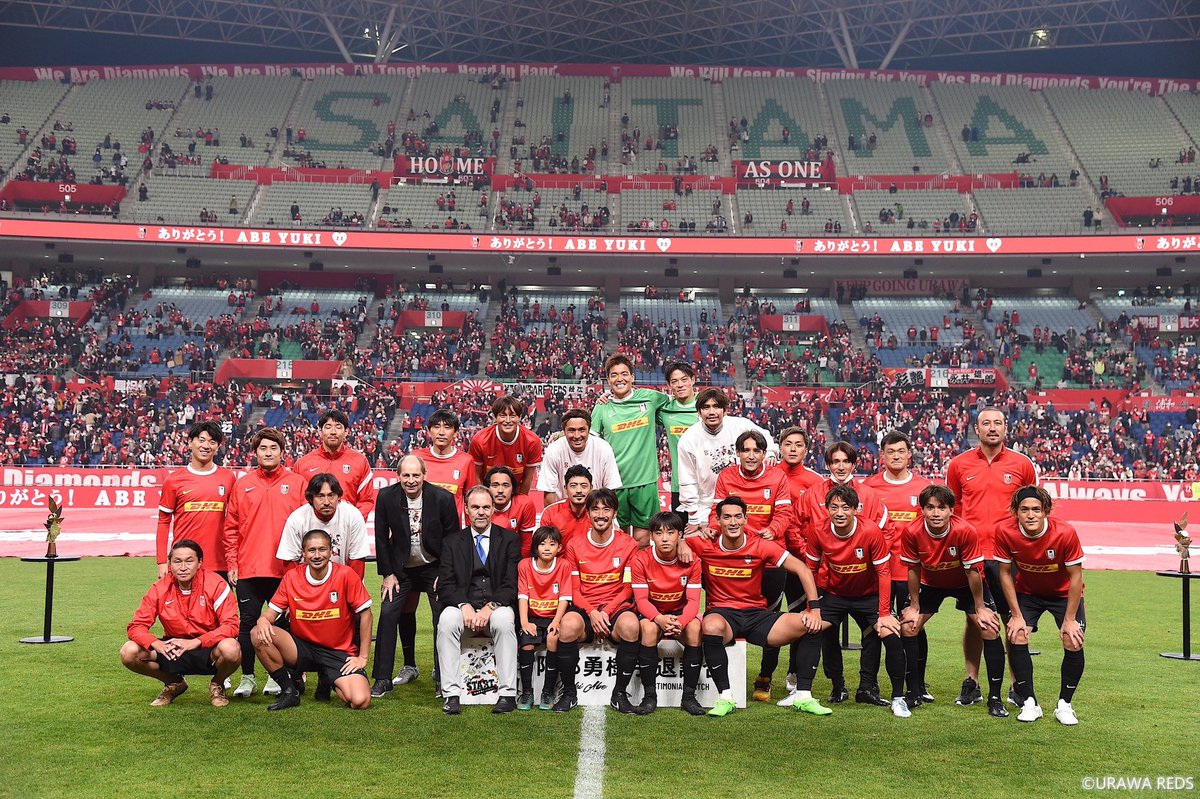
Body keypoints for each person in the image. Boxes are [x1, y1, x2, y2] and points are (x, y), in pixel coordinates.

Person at [689, 496, 826, 717]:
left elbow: (801, 568)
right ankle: (725, 697)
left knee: (810, 624)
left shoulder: (760, 545)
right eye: (727, 517)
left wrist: (815, 609)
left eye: (737, 517)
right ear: (718, 521)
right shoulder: (703, 544)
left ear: (745, 519)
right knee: (711, 625)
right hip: (723, 615)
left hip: (756, 615)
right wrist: (685, 544)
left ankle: (803, 696)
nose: (732, 522)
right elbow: (669, 543)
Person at [945, 407, 1037, 706]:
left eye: (998, 423)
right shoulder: (958, 465)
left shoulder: (1022, 465)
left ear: (1006, 428)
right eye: (986, 423)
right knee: (974, 620)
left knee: (1013, 619)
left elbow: (1032, 508)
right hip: (972, 557)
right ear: (977, 428)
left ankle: (1016, 684)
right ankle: (971, 682)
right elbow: (952, 508)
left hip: (1010, 558)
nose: (992, 428)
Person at [899, 485, 1008, 718]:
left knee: (988, 628)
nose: (936, 513)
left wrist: (980, 608)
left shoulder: (965, 530)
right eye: (930, 508)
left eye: (941, 508)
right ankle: (914, 691)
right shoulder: (911, 531)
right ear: (922, 510)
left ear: (951, 510)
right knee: (909, 626)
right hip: (931, 584)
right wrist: (914, 606)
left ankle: (995, 698)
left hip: (965, 584)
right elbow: (913, 569)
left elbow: (973, 572)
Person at [806, 485, 910, 718]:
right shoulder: (818, 530)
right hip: (834, 593)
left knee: (889, 635)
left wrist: (884, 613)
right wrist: (811, 608)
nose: (840, 512)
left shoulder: (870, 530)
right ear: (827, 509)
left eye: (845, 507)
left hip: (869, 594)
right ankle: (834, 686)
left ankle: (890, 695)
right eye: (834, 507)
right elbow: (810, 570)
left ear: (856, 509)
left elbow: (884, 571)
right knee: (815, 630)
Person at [708, 429, 792, 703]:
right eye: (746, 450)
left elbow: (784, 514)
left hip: (766, 561)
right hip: (732, 560)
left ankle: (764, 678)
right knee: (721, 614)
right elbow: (715, 514)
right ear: (739, 453)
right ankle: (724, 679)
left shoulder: (777, 476)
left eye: (757, 450)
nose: (751, 455)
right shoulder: (726, 477)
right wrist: (712, 529)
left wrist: (773, 530)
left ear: (764, 454)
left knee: (771, 619)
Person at [223, 428, 307, 699]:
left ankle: (276, 675)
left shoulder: (297, 482)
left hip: (285, 569)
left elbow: (307, 525)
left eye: (273, 448)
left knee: (282, 626)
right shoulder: (242, 483)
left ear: (282, 452)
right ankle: (247, 678)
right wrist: (232, 563)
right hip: (249, 568)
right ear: (255, 452)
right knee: (247, 626)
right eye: (263, 448)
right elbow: (231, 527)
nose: (268, 453)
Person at [252, 530, 373, 711]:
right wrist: (263, 620)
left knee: (360, 701)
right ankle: (289, 691)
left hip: (337, 651)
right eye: (312, 550)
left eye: (322, 549)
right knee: (257, 633)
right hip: (302, 648)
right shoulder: (292, 577)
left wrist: (363, 657)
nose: (317, 555)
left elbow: (366, 614)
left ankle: (329, 677)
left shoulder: (345, 575)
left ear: (331, 552)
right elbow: (270, 614)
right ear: (303, 553)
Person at [995, 486, 1086, 725]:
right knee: (1016, 635)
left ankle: (1065, 705)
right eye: (1024, 510)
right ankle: (1029, 703)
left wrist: (1069, 620)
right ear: (1016, 511)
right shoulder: (1004, 531)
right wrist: (1015, 615)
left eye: (1036, 509)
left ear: (1046, 511)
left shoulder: (1065, 532)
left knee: (1072, 639)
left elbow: (1076, 577)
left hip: (1064, 595)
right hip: (1028, 593)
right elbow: (1004, 573)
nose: (1030, 515)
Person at [372, 454, 459, 697]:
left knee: (443, 615)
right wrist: (388, 574)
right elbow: (381, 537)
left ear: (424, 476)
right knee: (389, 611)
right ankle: (382, 678)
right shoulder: (387, 497)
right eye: (406, 475)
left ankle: (444, 677)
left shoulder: (443, 498)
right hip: (401, 569)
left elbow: (453, 540)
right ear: (398, 476)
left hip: (434, 566)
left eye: (416, 475)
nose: (411, 480)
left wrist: (446, 573)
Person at [122, 539, 240, 707]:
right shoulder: (159, 588)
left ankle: (217, 684)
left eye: (189, 561)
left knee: (231, 648)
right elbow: (136, 626)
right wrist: (156, 644)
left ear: (199, 563)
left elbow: (231, 625)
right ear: (170, 564)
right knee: (128, 652)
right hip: (172, 648)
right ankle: (174, 683)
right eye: (177, 561)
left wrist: (195, 642)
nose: (183, 567)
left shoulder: (217, 584)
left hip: (208, 648)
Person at [861, 430, 933, 704]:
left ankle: (918, 683)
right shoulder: (870, 487)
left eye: (901, 451)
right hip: (878, 572)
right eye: (890, 452)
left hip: (910, 572)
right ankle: (870, 685)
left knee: (914, 627)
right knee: (875, 627)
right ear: (882, 456)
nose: (896, 456)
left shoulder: (923, 488)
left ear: (909, 454)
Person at [436, 485, 521, 715]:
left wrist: (490, 607)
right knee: (446, 620)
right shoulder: (452, 542)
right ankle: (451, 694)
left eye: (486, 507)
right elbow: (445, 584)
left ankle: (507, 694)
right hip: (463, 605)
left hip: (497, 606)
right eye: (475, 507)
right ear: (466, 510)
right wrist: (463, 605)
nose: (481, 512)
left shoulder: (510, 540)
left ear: (494, 509)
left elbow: (511, 584)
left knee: (504, 620)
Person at [555, 488, 642, 713]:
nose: (601, 514)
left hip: (616, 607)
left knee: (631, 626)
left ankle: (619, 694)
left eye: (606, 509)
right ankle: (568, 693)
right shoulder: (574, 545)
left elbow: (627, 588)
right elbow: (574, 590)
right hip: (586, 607)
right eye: (595, 509)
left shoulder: (628, 544)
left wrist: (606, 611)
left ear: (614, 513)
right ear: (588, 513)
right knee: (568, 626)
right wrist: (593, 612)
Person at [590, 354, 670, 546]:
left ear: (633, 377)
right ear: (608, 380)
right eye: (614, 375)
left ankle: (638, 576)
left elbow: (675, 405)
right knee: (619, 537)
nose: (620, 379)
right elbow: (591, 445)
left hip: (645, 481)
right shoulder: (601, 408)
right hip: (615, 483)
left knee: (643, 538)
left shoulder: (650, 398)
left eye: (624, 374)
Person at [630, 511, 703, 715]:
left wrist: (682, 620)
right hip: (654, 614)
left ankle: (689, 697)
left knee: (696, 627)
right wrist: (659, 619)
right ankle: (649, 697)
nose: (664, 538)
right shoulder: (640, 559)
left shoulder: (693, 561)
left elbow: (694, 601)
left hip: (680, 614)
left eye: (670, 533)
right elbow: (641, 600)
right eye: (659, 533)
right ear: (651, 536)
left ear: (679, 535)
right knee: (647, 627)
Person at [677, 388, 778, 536]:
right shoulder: (688, 439)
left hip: (744, 504)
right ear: (699, 413)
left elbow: (765, 437)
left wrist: (770, 452)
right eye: (706, 407)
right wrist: (693, 518)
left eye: (717, 406)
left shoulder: (740, 425)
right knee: (696, 545)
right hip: (707, 506)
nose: (712, 412)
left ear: (725, 411)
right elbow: (688, 480)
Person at [155, 421, 236, 580]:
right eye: (201, 440)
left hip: (219, 563)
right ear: (190, 442)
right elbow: (163, 522)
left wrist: (234, 563)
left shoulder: (228, 478)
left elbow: (235, 522)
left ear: (217, 447)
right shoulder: (174, 480)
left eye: (212, 442)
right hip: (184, 563)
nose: (206, 445)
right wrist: (161, 561)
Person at [516, 525, 573, 710]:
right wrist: (524, 622)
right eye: (542, 544)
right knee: (526, 642)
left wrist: (556, 622)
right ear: (535, 547)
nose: (547, 548)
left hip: (553, 618)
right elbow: (523, 596)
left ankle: (548, 691)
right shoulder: (524, 565)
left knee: (553, 638)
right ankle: (527, 692)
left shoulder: (564, 565)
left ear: (560, 547)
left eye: (552, 544)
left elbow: (564, 598)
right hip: (531, 618)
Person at [276, 473, 370, 574]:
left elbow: (357, 560)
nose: (326, 502)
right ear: (311, 498)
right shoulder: (297, 519)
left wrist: (349, 587)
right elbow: (290, 562)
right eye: (320, 496)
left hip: (343, 580)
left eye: (331, 495)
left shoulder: (353, 516)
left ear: (339, 497)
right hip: (307, 583)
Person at [293, 409, 376, 521]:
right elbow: (296, 500)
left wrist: (353, 524)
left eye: (338, 426)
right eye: (328, 427)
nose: (333, 431)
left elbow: (365, 500)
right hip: (312, 531)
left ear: (346, 432)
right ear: (320, 432)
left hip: (348, 531)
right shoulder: (302, 464)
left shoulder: (360, 461)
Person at [536, 409, 622, 506]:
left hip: (595, 512)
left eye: (582, 430)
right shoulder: (553, 450)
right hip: (564, 513)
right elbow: (549, 492)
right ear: (564, 431)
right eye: (571, 430)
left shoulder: (603, 448)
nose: (577, 436)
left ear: (589, 430)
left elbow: (610, 490)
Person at [412, 408, 477, 523]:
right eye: (437, 427)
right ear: (429, 431)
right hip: (419, 532)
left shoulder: (466, 461)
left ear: (456, 432)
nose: (441, 432)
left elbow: (471, 501)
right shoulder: (416, 457)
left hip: (451, 534)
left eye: (447, 427)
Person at [469, 395, 543, 496]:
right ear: (495, 417)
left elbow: (527, 479)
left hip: (515, 493)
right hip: (488, 494)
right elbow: (476, 476)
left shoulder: (532, 441)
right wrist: (484, 500)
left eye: (512, 416)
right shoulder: (480, 440)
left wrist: (520, 503)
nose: (508, 420)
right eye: (502, 416)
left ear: (520, 417)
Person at [659, 361, 699, 513]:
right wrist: (608, 397)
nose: (680, 385)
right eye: (674, 381)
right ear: (669, 385)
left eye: (684, 379)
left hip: (708, 484)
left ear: (692, 380)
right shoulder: (666, 411)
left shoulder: (707, 406)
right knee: (681, 534)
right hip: (680, 485)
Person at [485, 466, 537, 557]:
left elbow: (526, 545)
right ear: (487, 489)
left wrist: (518, 567)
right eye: (495, 485)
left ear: (513, 489)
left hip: (512, 557)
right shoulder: (478, 504)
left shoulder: (524, 504)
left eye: (506, 485)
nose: (500, 491)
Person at [540, 464, 597, 546]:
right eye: (573, 486)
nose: (579, 490)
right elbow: (540, 548)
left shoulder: (599, 514)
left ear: (591, 488)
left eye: (584, 486)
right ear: (565, 489)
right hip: (558, 559)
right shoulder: (550, 513)